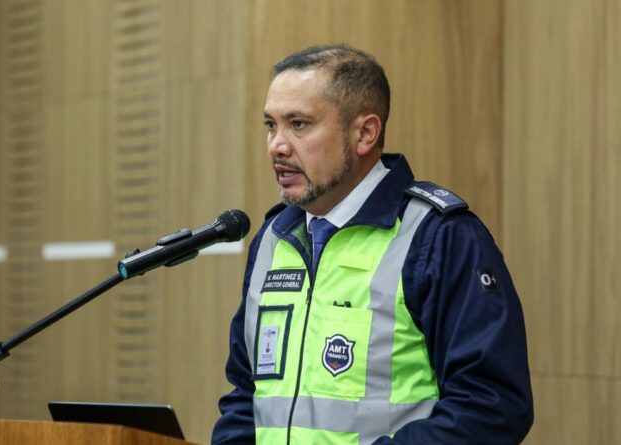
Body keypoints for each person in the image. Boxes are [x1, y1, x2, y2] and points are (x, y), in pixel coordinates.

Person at [212, 44, 533, 444]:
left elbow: (491, 405)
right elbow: (247, 397)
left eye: (298, 124)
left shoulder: (437, 237)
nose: (277, 145)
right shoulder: (273, 239)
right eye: (270, 125)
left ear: (365, 133)